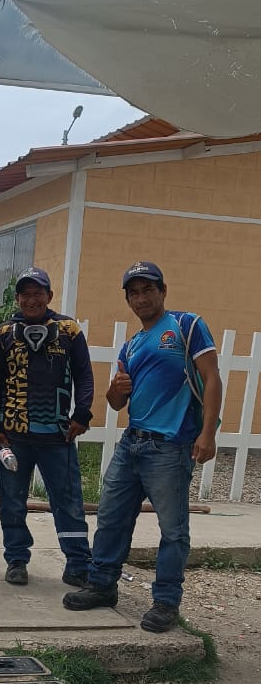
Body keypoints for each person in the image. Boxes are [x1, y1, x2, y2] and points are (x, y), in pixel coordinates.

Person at [63, 261, 222, 632]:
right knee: (111, 517)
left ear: (163, 291)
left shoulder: (186, 326)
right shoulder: (131, 344)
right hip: (131, 442)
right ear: (128, 300)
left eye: (148, 289)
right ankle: (102, 585)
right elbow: (116, 402)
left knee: (173, 529)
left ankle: (166, 602)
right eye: (134, 293)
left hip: (170, 446)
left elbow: (212, 377)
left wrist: (208, 434)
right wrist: (114, 390)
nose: (141, 298)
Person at [0, 267, 94, 586]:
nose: (32, 300)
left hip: (58, 437)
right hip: (14, 437)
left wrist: (82, 414)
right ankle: (16, 560)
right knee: (12, 502)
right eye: (25, 294)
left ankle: (78, 564)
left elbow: (84, 374)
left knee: (69, 502)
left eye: (38, 293)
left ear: (49, 295)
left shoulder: (69, 330)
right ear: (17, 298)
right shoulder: (3, 333)